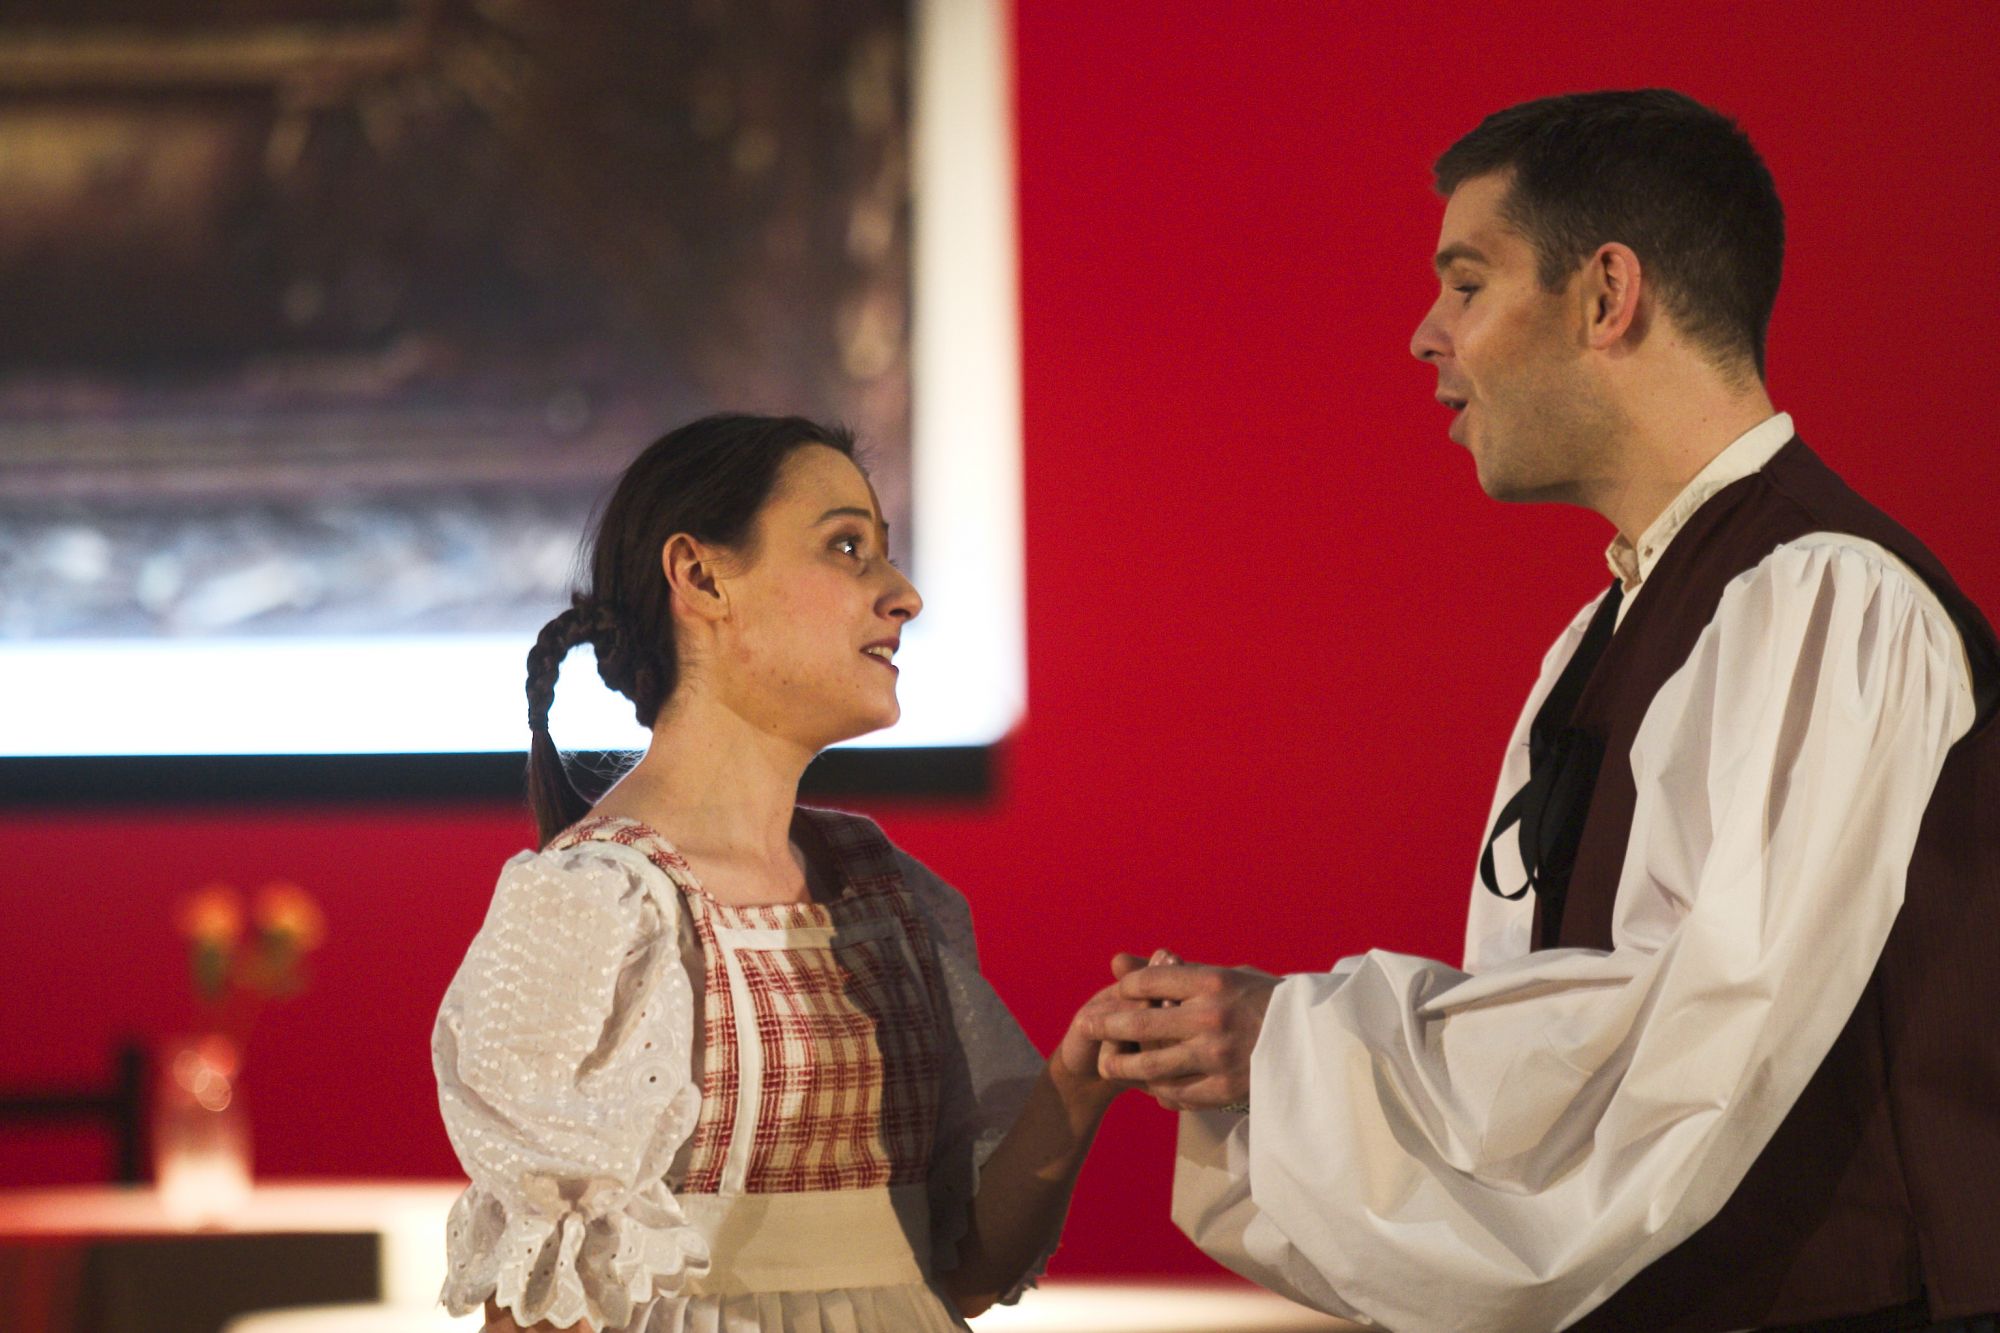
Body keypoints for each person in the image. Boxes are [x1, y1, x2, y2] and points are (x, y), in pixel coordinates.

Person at [1084, 90, 1999, 1332]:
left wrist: (1290, 1039)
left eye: (1466, 284)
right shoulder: (1606, 632)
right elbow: (1561, 1054)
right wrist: (1273, 1044)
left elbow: (1696, 1021)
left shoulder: (1826, 594)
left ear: (1604, 294)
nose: (1425, 335)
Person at [433, 415, 1128, 1332]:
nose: (903, 595)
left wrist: (1079, 1077)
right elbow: (537, 1308)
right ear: (702, 577)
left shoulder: (881, 887)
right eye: (847, 547)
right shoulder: (598, 906)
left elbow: (957, 1272)